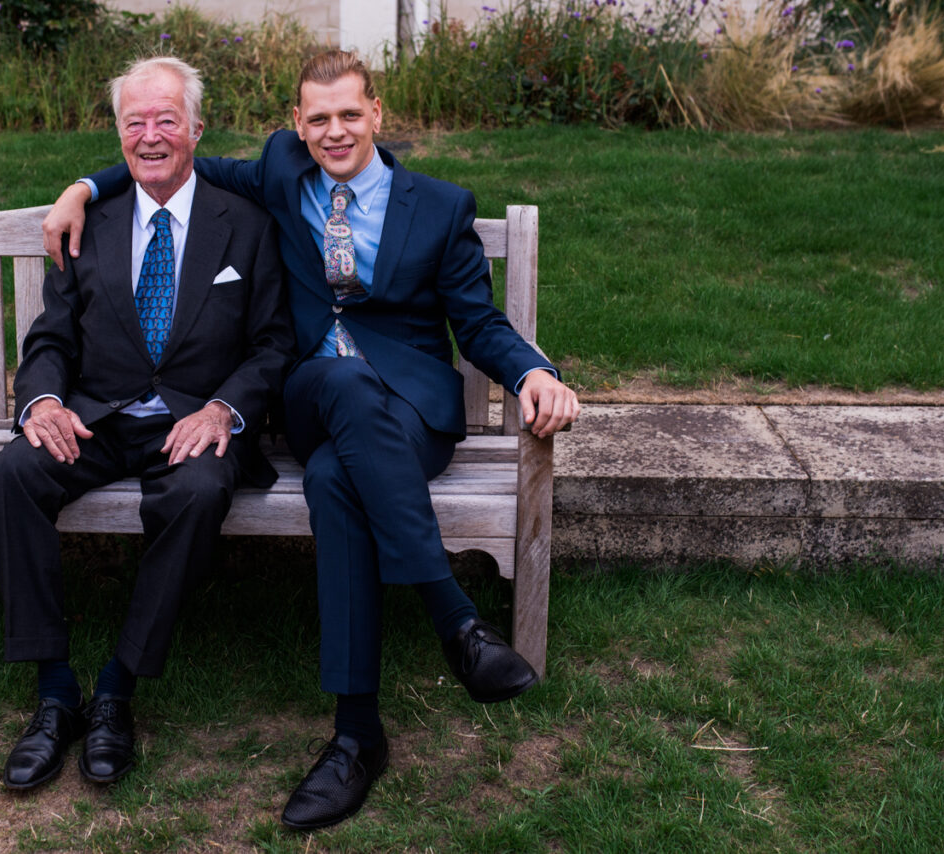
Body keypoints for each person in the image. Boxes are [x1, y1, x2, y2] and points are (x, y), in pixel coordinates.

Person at [41, 50, 580, 827]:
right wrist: (82, 188)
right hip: (310, 396)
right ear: (297, 124)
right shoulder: (280, 171)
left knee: (334, 482)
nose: (334, 131)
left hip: (408, 415)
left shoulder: (438, 206)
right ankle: (453, 618)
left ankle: (356, 736)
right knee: (342, 385)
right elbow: (166, 155)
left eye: (349, 115)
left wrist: (532, 372)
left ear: (377, 114)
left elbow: (479, 323)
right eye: (318, 118)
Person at [0, 56, 293, 792]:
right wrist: (44, 404)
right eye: (135, 123)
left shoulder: (245, 226)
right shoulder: (91, 224)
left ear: (195, 128)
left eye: (165, 121)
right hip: (96, 417)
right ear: (118, 134)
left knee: (195, 494)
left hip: (195, 424)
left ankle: (118, 685)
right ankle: (55, 690)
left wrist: (223, 408)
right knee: (14, 473)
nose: (150, 136)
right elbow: (52, 340)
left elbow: (274, 343)